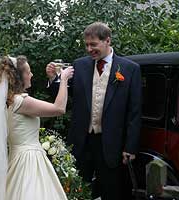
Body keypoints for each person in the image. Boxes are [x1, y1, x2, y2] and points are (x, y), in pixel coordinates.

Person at [46, 22, 142, 200]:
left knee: (111, 191)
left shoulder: (130, 69)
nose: (89, 49)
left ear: (107, 41)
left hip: (111, 143)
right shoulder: (80, 65)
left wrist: (130, 147)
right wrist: (54, 80)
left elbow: (134, 113)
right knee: (76, 189)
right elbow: (66, 97)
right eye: (86, 45)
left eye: (93, 44)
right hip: (82, 141)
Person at [0, 55, 74, 200]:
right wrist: (64, 79)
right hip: (29, 160)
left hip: (15, 157)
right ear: (19, 77)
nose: (32, 75)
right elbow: (59, 108)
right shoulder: (21, 101)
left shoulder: (7, 101)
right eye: (28, 72)